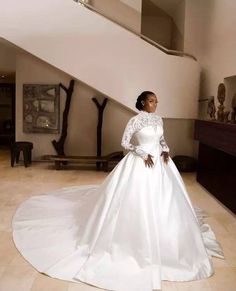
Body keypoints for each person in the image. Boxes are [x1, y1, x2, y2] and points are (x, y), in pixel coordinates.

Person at [12, 91, 224, 291]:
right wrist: (142, 153)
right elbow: (124, 143)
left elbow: (161, 140)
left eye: (156, 101)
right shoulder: (135, 120)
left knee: (168, 203)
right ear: (143, 103)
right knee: (133, 203)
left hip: (160, 166)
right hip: (141, 164)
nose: (155, 104)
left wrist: (166, 150)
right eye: (152, 101)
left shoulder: (159, 119)